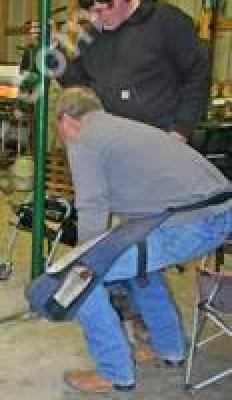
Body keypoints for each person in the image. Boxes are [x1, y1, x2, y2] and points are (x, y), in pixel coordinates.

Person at [54, 86, 231, 393]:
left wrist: (88, 259)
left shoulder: (84, 140)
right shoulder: (125, 128)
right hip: (220, 214)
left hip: (189, 223)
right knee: (142, 270)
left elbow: (92, 205)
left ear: (67, 120)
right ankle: (170, 349)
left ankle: (114, 373)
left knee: (80, 281)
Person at [59, 0, 209, 142]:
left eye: (100, 11)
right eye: (91, 12)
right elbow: (79, 84)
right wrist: (50, 50)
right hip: (111, 143)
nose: (94, 18)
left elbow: (196, 73)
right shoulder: (92, 35)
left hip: (160, 141)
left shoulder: (166, 21)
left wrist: (182, 129)